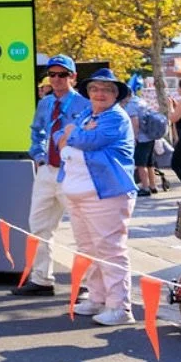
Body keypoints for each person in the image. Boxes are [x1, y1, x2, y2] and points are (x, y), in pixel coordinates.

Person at [54, 69, 138, 326]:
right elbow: (58, 137)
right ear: (88, 92)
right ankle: (98, 298)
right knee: (88, 248)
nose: (100, 94)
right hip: (80, 194)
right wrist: (72, 133)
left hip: (106, 193)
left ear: (116, 95)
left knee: (110, 250)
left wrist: (73, 133)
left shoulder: (115, 118)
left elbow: (89, 140)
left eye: (107, 90)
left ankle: (120, 307)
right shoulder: (87, 115)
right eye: (95, 89)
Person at [12, 55, 91, 297]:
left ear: (73, 77)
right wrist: (38, 156)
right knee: (38, 225)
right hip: (47, 172)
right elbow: (36, 131)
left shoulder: (85, 105)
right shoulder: (45, 103)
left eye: (63, 74)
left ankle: (88, 285)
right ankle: (41, 279)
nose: (57, 79)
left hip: (73, 173)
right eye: (53, 75)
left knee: (83, 230)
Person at [124, 93, 166, 197]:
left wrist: (134, 137)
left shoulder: (131, 105)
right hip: (150, 136)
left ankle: (145, 187)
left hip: (141, 139)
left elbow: (135, 122)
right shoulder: (141, 101)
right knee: (150, 163)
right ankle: (153, 186)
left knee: (140, 164)